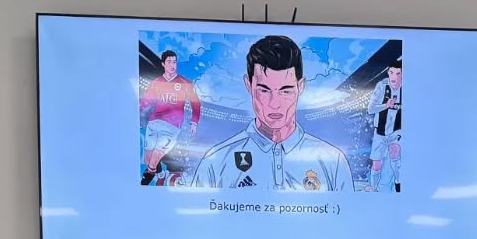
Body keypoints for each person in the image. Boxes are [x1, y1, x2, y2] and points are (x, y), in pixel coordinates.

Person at [191, 35, 353, 191]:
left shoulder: (334, 161)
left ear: (301, 86)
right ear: (248, 85)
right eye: (264, 90)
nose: (275, 104)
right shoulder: (216, 161)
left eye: (285, 90)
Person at [140, 48, 201, 186]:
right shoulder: (156, 83)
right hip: (154, 123)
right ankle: (161, 175)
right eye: (169, 62)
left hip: (171, 126)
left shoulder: (185, 83)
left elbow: (196, 104)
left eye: (174, 62)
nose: (173, 65)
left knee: (155, 157)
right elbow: (146, 101)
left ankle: (147, 178)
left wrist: (194, 122)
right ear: (163, 64)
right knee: (148, 159)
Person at [366, 57, 403, 192]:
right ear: (388, 73)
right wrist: (385, 105)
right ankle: (373, 187)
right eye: (391, 73)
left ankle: (399, 183)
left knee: (395, 154)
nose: (394, 77)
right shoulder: (381, 86)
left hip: (397, 130)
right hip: (380, 132)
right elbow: (370, 109)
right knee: (377, 164)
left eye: (398, 73)